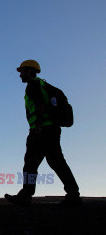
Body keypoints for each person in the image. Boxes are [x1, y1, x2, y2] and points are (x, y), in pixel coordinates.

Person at [5, 60, 82, 206]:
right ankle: (73, 195)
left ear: (30, 71)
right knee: (56, 162)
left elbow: (40, 106)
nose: (20, 75)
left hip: (42, 131)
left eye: (22, 71)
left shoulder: (33, 85)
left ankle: (26, 196)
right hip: (51, 130)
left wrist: (37, 128)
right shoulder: (42, 85)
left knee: (31, 165)